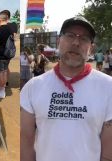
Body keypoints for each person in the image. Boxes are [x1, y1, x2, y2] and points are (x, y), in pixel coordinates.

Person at [20, 16, 112, 161]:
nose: (76, 42)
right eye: (70, 35)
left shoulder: (108, 87)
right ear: (58, 41)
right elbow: (25, 143)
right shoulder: (33, 87)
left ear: (91, 48)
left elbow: (108, 153)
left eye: (84, 38)